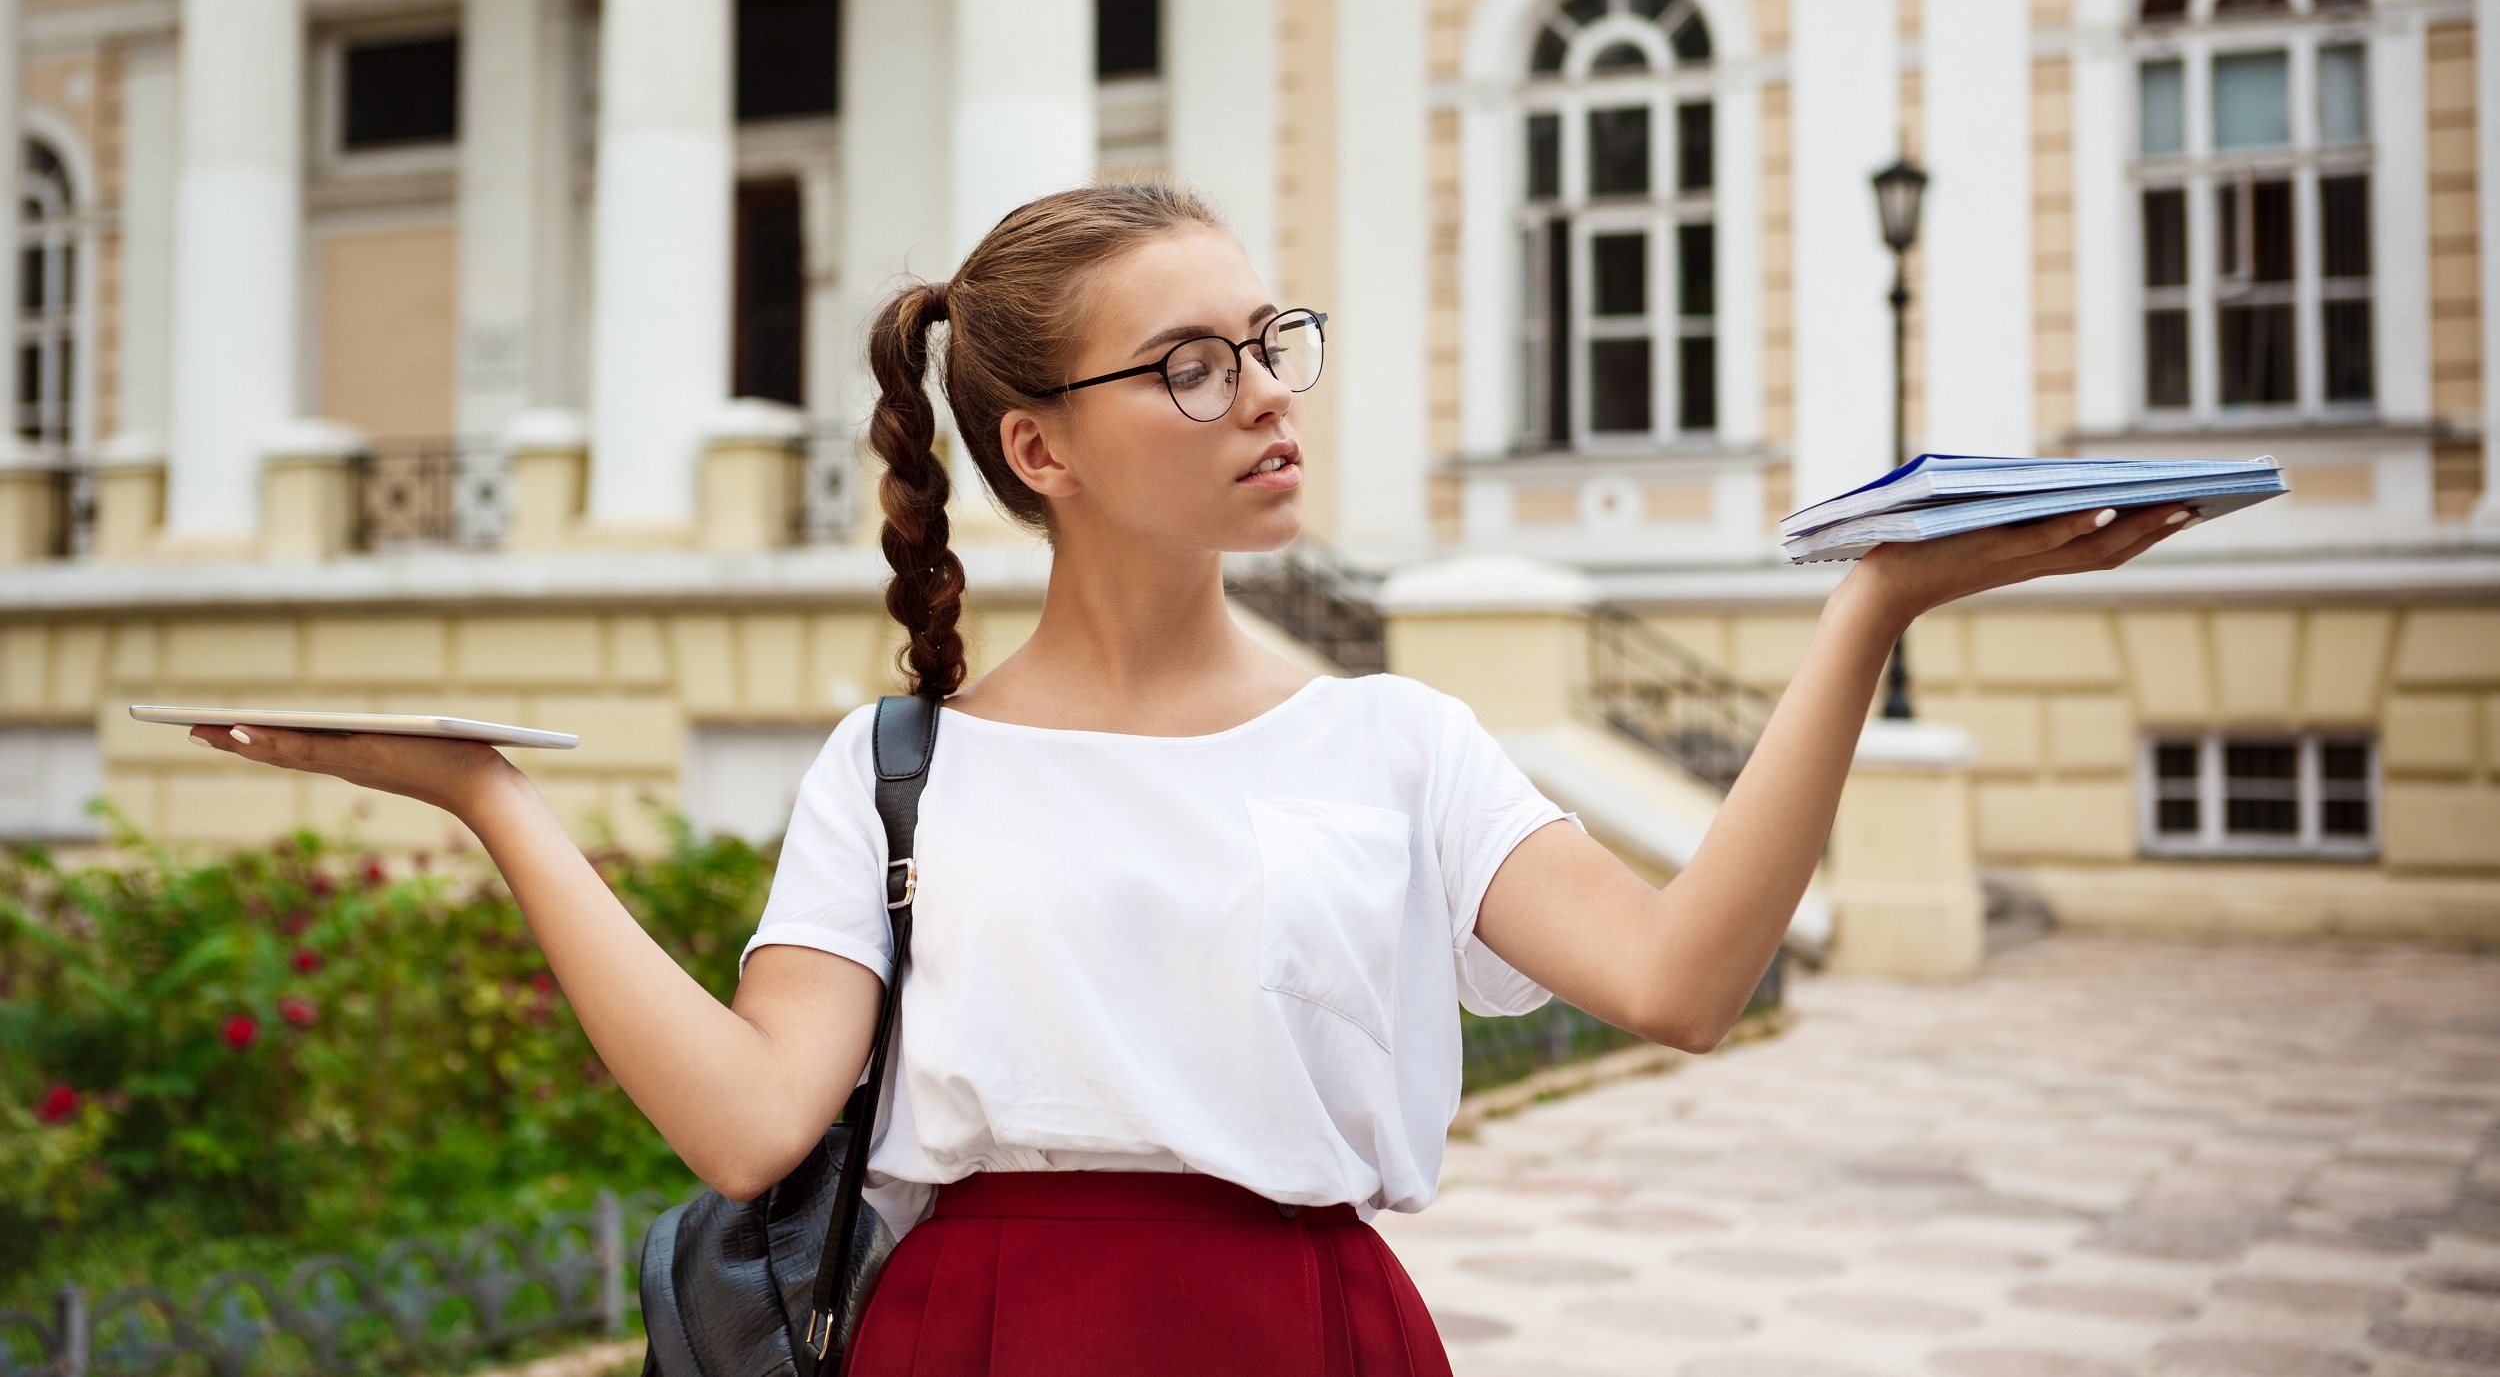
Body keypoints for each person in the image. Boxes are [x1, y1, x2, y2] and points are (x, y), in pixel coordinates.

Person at [193, 183, 2191, 1376]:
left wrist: (1864, 612)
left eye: (1265, 338)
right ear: (1036, 445)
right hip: (976, 1341)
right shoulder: (899, 766)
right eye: (1189, 362)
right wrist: (493, 800)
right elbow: (744, 1127)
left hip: (1303, 1337)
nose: (1261, 393)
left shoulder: (1393, 739)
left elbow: (1677, 978)